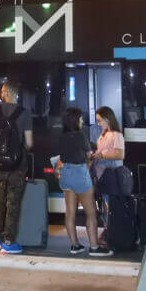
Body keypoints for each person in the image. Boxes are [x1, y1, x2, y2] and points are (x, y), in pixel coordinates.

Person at [0, 80, 33, 255]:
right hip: (17, 166)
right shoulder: (24, 113)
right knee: (13, 203)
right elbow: (29, 143)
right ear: (16, 94)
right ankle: (8, 241)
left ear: (3, 93)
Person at [55, 107, 108, 256]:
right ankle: (94, 247)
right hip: (80, 173)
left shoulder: (62, 136)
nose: (82, 121)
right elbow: (89, 155)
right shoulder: (80, 136)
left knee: (70, 212)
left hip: (66, 173)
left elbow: (62, 156)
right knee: (91, 213)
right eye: (80, 118)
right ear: (74, 120)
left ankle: (75, 245)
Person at [91, 106, 125, 250]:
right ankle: (108, 231)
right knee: (104, 205)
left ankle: (110, 233)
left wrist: (101, 155)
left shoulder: (117, 135)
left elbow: (120, 154)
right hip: (101, 175)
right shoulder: (103, 135)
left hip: (111, 175)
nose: (98, 123)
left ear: (107, 118)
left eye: (100, 120)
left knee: (109, 205)